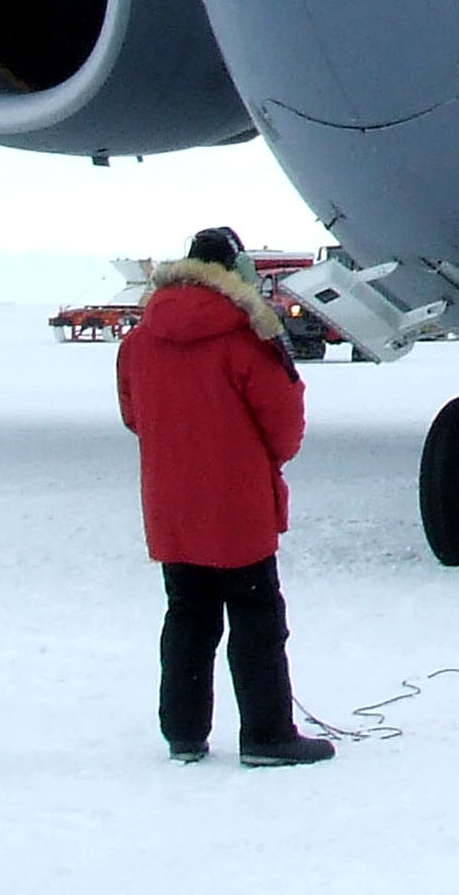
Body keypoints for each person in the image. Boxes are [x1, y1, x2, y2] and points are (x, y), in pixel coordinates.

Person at [116, 227, 333, 767]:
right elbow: (283, 425)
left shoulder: (139, 341)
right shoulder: (248, 337)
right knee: (258, 618)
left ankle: (184, 733)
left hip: (171, 505)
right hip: (238, 506)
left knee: (187, 617)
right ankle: (267, 735)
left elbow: (134, 416)